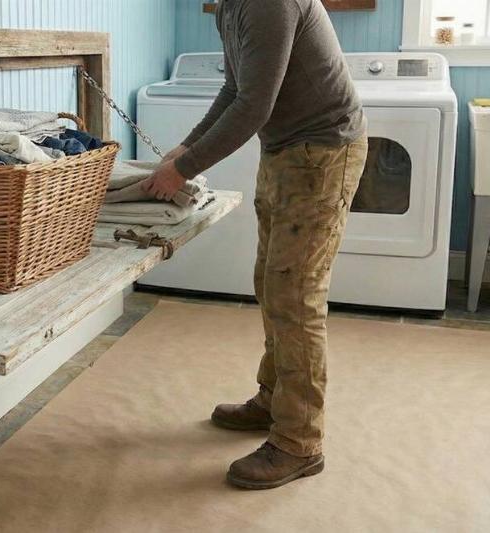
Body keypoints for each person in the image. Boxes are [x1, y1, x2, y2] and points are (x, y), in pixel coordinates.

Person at [142, 0, 369, 490]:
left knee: (295, 297)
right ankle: (275, 400)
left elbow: (253, 105)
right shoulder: (230, 5)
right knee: (271, 283)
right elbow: (234, 89)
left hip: (321, 152)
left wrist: (184, 167)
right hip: (288, 150)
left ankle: (299, 442)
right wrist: (186, 147)